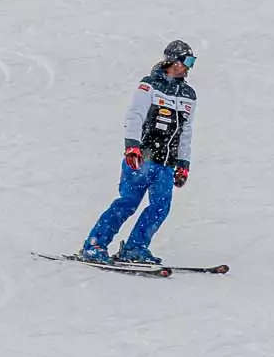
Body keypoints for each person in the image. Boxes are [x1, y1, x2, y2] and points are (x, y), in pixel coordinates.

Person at [78, 41, 199, 266]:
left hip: (166, 163)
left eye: (192, 62)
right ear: (172, 60)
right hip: (142, 157)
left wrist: (183, 163)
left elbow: (186, 132)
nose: (188, 67)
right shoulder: (149, 85)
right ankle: (94, 245)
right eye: (186, 61)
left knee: (160, 207)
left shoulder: (188, 95)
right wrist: (132, 146)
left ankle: (135, 248)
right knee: (128, 202)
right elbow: (135, 115)